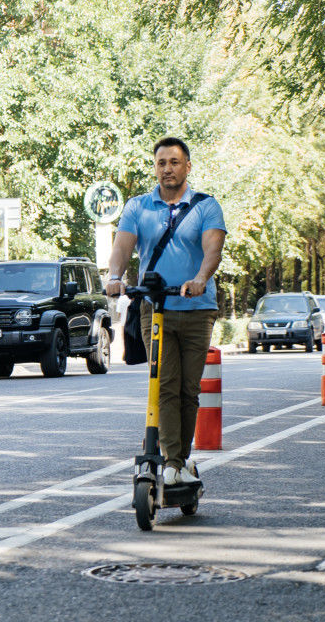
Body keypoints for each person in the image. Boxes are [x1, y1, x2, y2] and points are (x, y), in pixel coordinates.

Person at [106, 137, 227, 487]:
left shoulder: (206, 206)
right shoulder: (137, 207)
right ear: (155, 166)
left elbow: (212, 249)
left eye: (174, 162)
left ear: (187, 166)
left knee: (189, 389)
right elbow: (122, 248)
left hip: (196, 308)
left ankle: (180, 459)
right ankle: (174, 463)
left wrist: (201, 278)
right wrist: (114, 277)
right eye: (161, 162)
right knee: (165, 386)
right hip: (154, 307)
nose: (167, 169)